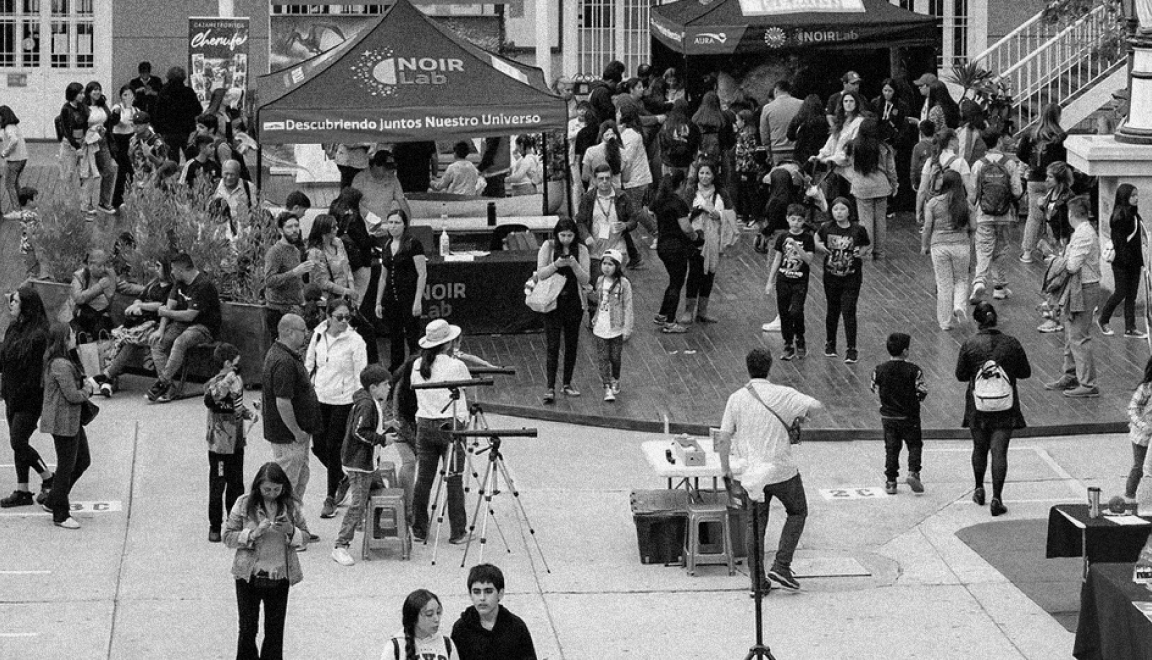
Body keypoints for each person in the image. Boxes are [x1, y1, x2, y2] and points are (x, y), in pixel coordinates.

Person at [716, 348, 823, 592]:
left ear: (747, 367)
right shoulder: (784, 394)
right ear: (770, 366)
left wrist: (726, 470)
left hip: (752, 475)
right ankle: (782, 565)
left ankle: (757, 582)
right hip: (782, 470)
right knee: (797, 511)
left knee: (755, 526)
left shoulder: (736, 398)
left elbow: (723, 439)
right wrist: (801, 416)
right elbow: (816, 406)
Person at [223, 462, 307, 660]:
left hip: (279, 577)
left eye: (277, 489)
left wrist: (291, 531)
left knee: (275, 633)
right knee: (247, 629)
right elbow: (227, 536)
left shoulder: (291, 507)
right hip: (249, 576)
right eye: (267, 489)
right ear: (258, 487)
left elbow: (306, 536)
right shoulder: (243, 504)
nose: (272, 493)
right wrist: (252, 534)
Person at [955, 302, 1032, 516]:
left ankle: (979, 488)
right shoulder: (1011, 343)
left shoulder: (969, 344)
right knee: (1000, 451)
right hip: (1005, 405)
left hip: (977, 405)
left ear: (977, 321)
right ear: (995, 319)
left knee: (979, 448)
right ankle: (997, 497)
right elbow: (1025, 372)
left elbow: (961, 375)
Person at [408, 320, 471, 544]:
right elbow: (465, 387)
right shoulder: (455, 366)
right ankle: (458, 531)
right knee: (454, 478)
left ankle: (419, 528)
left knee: (424, 479)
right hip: (451, 424)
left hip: (425, 424)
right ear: (448, 343)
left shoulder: (417, 365)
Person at [305, 299, 368, 520]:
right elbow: (309, 364)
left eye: (347, 317)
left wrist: (361, 402)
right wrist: (307, 391)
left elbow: (361, 373)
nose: (343, 321)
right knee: (318, 446)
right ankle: (342, 478)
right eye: (338, 317)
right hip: (320, 396)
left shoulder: (356, 341)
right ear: (328, 317)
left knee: (333, 446)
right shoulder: (318, 334)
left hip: (344, 400)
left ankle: (330, 497)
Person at [262, 313, 320, 541]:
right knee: (284, 484)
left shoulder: (284, 355)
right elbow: (282, 401)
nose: (306, 334)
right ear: (288, 332)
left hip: (297, 434)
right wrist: (296, 431)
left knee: (299, 479)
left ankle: (295, 526)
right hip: (289, 435)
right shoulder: (284, 361)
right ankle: (280, 533)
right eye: (302, 330)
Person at [330, 364, 393, 567]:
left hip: (368, 462)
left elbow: (369, 426)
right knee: (357, 504)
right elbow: (360, 432)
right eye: (385, 384)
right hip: (360, 463)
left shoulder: (370, 402)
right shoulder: (367, 404)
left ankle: (373, 532)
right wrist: (383, 439)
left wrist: (388, 426)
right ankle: (341, 545)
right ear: (373, 387)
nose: (389, 388)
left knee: (378, 492)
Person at [0, 286, 54, 508]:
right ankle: (22, 490)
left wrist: (21, 391)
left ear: (27, 306)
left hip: (30, 397)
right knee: (17, 444)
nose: (11, 304)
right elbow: (4, 358)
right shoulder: (13, 328)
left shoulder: (40, 335)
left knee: (18, 440)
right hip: (11, 394)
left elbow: (34, 372)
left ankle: (48, 477)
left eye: (15, 301)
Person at [92, 255, 174, 396]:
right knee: (125, 341)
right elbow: (140, 297)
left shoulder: (172, 288)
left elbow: (162, 306)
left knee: (130, 340)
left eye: (158, 266)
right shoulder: (153, 283)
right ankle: (108, 379)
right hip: (139, 322)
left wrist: (142, 306)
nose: (156, 269)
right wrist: (135, 305)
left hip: (155, 324)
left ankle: (107, 378)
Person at [40, 322, 95, 530]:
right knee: (66, 466)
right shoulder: (60, 365)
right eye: (71, 335)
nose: (74, 337)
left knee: (82, 460)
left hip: (69, 420)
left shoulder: (62, 360)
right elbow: (72, 395)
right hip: (63, 421)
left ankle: (53, 498)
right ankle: (60, 514)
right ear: (64, 339)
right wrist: (87, 391)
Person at [145, 252, 221, 403]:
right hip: (181, 324)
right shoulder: (178, 282)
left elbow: (190, 315)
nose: (171, 272)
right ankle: (170, 388)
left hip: (203, 327)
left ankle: (162, 382)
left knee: (181, 341)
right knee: (156, 343)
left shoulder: (203, 285)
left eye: (173, 269)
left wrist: (166, 312)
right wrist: (161, 330)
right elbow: (169, 306)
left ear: (181, 270)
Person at [1045, 196, 1101, 398]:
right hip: (1080, 287)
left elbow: (1071, 265)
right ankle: (1071, 374)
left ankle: (1088, 384)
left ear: (1071, 214)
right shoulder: (1083, 231)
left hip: (1084, 289)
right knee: (1071, 334)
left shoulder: (1083, 234)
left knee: (1078, 336)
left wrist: (1054, 261)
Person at [537, 218, 592, 403]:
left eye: (570, 235)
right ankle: (550, 386)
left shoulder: (582, 250)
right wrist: (556, 265)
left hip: (574, 303)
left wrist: (574, 265)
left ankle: (567, 383)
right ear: (556, 234)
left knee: (571, 345)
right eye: (563, 235)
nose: (566, 239)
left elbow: (585, 279)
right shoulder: (548, 247)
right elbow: (540, 273)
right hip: (553, 302)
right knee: (552, 345)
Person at [204, 343, 254, 543]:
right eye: (235, 364)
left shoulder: (238, 382)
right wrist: (226, 381)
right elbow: (211, 399)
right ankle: (214, 525)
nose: (238, 367)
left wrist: (249, 414)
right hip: (220, 445)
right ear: (226, 364)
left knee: (237, 485)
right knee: (218, 485)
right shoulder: (215, 383)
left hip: (237, 443)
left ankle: (234, 523)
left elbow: (237, 406)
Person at [870, 332, 928, 495]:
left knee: (891, 448)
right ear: (905, 352)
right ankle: (913, 472)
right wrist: (915, 400)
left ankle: (891, 481)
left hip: (888, 416)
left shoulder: (879, 369)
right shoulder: (914, 370)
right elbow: (922, 390)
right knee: (915, 444)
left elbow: (873, 387)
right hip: (909, 415)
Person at [969, 130, 1023, 303]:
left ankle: (979, 281)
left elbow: (972, 195)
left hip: (983, 214)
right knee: (1001, 250)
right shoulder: (1009, 164)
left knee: (983, 249)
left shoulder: (978, 164)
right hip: (1004, 214)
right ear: (999, 140)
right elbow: (1017, 191)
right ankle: (999, 287)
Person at [816, 197, 870, 363]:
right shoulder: (826, 227)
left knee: (849, 310)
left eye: (842, 209)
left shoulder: (858, 229)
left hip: (851, 276)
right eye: (835, 209)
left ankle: (851, 348)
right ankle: (830, 343)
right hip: (831, 276)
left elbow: (866, 245)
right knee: (832, 310)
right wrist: (820, 247)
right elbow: (816, 238)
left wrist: (860, 252)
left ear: (849, 211)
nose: (839, 212)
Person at [374, 209, 428, 371]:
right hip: (392, 297)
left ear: (404, 225)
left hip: (409, 295)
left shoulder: (413, 243)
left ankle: (416, 367)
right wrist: (378, 301)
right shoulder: (387, 245)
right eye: (390, 222)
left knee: (412, 336)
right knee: (395, 335)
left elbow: (422, 273)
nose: (393, 226)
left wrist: (418, 300)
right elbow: (383, 276)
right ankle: (396, 367)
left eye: (397, 222)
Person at [683, 159, 735, 325]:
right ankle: (688, 310)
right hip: (695, 239)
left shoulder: (721, 193)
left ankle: (702, 311)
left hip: (713, 239)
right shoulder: (691, 191)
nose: (704, 177)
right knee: (694, 273)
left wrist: (719, 215)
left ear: (713, 176)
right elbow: (683, 213)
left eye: (708, 173)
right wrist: (700, 209)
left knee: (709, 274)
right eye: (701, 173)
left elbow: (731, 213)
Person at [921, 170, 973, 331]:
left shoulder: (933, 203)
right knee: (961, 279)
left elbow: (928, 226)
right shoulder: (966, 203)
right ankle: (959, 305)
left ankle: (945, 321)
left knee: (944, 284)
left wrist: (924, 245)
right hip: (961, 245)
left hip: (939, 245)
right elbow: (974, 226)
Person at [451, 564, 538, 660]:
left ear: (500, 594)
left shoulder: (516, 627)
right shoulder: (461, 628)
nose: (482, 598)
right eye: (476, 592)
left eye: (488, 591)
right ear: (470, 595)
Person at [1016, 102, 1067, 262]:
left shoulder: (1030, 134)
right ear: (1058, 116)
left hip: (1034, 179)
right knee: (1053, 215)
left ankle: (1027, 252)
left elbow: (1020, 153)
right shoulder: (1061, 137)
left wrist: (1032, 164)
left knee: (1034, 217)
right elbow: (1064, 159)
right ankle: (1054, 251)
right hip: (1054, 180)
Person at [767, 204, 815, 361]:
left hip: (799, 281)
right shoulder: (782, 237)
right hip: (783, 280)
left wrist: (795, 245)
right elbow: (777, 259)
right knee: (784, 313)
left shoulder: (807, 238)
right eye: (793, 219)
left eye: (799, 220)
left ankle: (800, 338)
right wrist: (770, 281)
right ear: (787, 219)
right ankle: (788, 343)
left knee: (796, 311)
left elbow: (808, 260)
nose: (795, 223)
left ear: (803, 221)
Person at [845, 117, 897, 260]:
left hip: (862, 187)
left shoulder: (853, 146)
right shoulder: (884, 147)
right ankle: (880, 252)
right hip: (881, 186)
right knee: (880, 221)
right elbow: (891, 170)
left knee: (865, 221)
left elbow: (850, 164)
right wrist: (894, 185)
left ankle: (867, 252)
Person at [1100, 183, 1147, 338]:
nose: (1136, 198)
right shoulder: (1120, 217)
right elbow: (1120, 243)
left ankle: (1130, 327)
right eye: (1132, 195)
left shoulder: (1134, 214)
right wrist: (1126, 260)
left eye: (1136, 195)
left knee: (1131, 295)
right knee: (1121, 292)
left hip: (1134, 262)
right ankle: (1103, 319)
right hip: (1122, 263)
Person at [651, 171, 694, 333]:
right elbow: (686, 227)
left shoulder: (659, 201)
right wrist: (695, 236)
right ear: (681, 184)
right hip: (676, 247)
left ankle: (662, 313)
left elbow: (650, 214)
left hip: (662, 245)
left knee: (672, 280)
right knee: (677, 282)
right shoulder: (678, 203)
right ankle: (670, 322)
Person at [589, 249, 633, 402]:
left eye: (611, 264)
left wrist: (628, 328)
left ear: (618, 266)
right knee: (603, 357)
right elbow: (599, 300)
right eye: (604, 263)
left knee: (615, 356)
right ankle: (606, 386)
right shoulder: (600, 280)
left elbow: (628, 306)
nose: (606, 267)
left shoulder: (624, 284)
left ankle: (615, 378)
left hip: (617, 326)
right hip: (601, 325)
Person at [265, 213, 312, 340]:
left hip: (295, 309)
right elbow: (269, 281)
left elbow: (296, 280)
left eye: (296, 226)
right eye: (289, 227)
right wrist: (295, 272)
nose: (294, 230)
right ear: (281, 230)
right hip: (278, 311)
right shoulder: (275, 252)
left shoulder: (296, 251)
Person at [577, 162, 635, 266]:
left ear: (611, 178)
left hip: (618, 249)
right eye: (601, 178)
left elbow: (634, 220)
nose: (604, 181)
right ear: (594, 180)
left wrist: (625, 225)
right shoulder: (588, 198)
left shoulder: (622, 197)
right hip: (595, 251)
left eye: (607, 178)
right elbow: (580, 221)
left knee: (617, 281)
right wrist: (586, 236)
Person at [916, 128, 971, 228]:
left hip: (933, 207)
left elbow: (922, 190)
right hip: (955, 208)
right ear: (952, 141)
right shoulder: (961, 162)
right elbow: (971, 191)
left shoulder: (930, 161)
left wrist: (918, 211)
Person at [386, 589, 456, 660]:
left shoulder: (446, 644)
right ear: (413, 617)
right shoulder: (394, 646)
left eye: (438, 612)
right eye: (429, 614)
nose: (436, 619)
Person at [81, 81, 118, 214]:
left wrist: (115, 115)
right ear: (89, 92)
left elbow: (110, 122)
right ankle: (87, 203)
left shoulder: (103, 105)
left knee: (109, 170)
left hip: (102, 140)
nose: (97, 92)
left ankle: (104, 201)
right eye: (94, 90)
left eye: (99, 89)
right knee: (88, 173)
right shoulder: (83, 107)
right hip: (89, 142)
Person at [153, 66, 202, 161]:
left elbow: (157, 113)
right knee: (191, 156)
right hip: (186, 130)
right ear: (183, 77)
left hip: (167, 131)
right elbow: (198, 110)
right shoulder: (188, 92)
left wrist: (158, 129)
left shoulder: (163, 92)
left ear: (168, 77)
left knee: (172, 158)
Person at [306, 213, 356, 303]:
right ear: (324, 230)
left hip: (345, 295)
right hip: (327, 299)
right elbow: (322, 282)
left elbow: (347, 266)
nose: (337, 229)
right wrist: (345, 291)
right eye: (333, 227)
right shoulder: (315, 253)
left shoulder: (338, 242)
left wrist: (351, 289)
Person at [354, 149, 412, 225]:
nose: (389, 172)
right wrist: (371, 218)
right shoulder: (360, 178)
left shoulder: (393, 179)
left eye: (391, 169)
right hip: (364, 224)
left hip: (385, 223)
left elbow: (402, 202)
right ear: (376, 165)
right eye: (386, 168)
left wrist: (406, 223)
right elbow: (353, 203)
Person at [70, 248, 117, 339]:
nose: (103, 269)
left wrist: (143, 289)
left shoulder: (107, 274)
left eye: (104, 265)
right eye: (99, 266)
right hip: (82, 315)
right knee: (78, 332)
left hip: (100, 316)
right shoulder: (79, 276)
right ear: (90, 265)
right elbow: (78, 298)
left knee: (102, 329)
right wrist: (99, 287)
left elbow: (123, 287)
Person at [1126, 357, 1152, 503]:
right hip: (1143, 435)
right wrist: (1143, 426)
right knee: (1140, 467)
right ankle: (1129, 496)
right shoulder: (1146, 389)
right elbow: (1132, 410)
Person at [107, 86, 139, 207]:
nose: (127, 97)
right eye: (125, 95)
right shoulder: (117, 108)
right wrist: (116, 115)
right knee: (126, 169)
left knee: (125, 171)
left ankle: (119, 200)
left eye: (130, 95)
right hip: (118, 140)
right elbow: (114, 122)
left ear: (134, 96)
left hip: (130, 140)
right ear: (121, 96)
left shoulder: (136, 110)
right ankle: (118, 199)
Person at [760, 80, 804, 165]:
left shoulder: (767, 108)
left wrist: (768, 151)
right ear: (789, 91)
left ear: (775, 91)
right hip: (797, 149)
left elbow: (764, 133)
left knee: (778, 176)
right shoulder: (801, 104)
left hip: (777, 150)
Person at [691, 91, 732, 175]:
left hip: (701, 150)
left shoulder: (696, 118)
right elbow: (728, 137)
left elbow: (693, 138)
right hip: (718, 151)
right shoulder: (723, 117)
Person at [734, 109, 764, 225]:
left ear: (744, 121)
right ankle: (748, 215)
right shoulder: (752, 134)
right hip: (751, 168)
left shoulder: (745, 135)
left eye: (738, 120)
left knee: (747, 193)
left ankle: (750, 216)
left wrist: (743, 170)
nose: (736, 122)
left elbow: (746, 153)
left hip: (745, 168)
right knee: (748, 192)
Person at [657, 99, 699, 177]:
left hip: (668, 162)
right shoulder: (692, 126)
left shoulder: (666, 124)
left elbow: (661, 141)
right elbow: (694, 144)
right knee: (682, 186)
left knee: (668, 185)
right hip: (685, 163)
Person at [57, 82, 88, 184]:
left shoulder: (82, 107)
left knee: (83, 173)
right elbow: (66, 130)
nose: (83, 96)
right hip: (70, 143)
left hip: (82, 141)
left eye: (83, 93)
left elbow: (85, 123)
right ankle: (68, 198)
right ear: (73, 94)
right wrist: (75, 145)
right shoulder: (66, 109)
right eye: (80, 93)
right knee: (68, 174)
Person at [7, 186, 40, 281]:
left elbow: (18, 215)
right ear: (29, 202)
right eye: (36, 198)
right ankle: (29, 287)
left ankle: (31, 283)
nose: (38, 200)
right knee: (34, 272)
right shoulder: (30, 215)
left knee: (33, 269)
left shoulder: (26, 213)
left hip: (26, 248)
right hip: (29, 248)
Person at [127, 111, 170, 184]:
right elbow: (133, 162)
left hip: (155, 182)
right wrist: (130, 154)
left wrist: (150, 155)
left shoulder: (157, 141)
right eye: (134, 124)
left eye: (139, 125)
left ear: (147, 125)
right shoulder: (133, 140)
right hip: (139, 180)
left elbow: (163, 166)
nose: (136, 128)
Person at [787, 94, 829, 167]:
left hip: (801, 152)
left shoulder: (798, 118)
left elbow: (790, 135)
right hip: (820, 152)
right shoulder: (825, 119)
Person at [0, 105, 27, 212]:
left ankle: (17, 210)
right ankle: (23, 205)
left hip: (14, 160)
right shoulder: (14, 126)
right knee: (15, 184)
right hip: (23, 158)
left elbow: (14, 140)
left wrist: (5, 152)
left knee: (9, 185)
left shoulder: (8, 128)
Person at [581, 121, 622, 190]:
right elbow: (626, 178)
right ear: (616, 135)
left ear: (600, 134)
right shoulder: (623, 152)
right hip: (615, 193)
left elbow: (585, 177)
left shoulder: (590, 151)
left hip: (595, 191)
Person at [589, 60, 625, 126]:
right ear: (611, 81)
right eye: (616, 84)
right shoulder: (603, 91)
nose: (616, 86)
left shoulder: (599, 88)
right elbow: (608, 112)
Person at [956, 99, 988, 165]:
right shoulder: (978, 127)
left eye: (960, 110)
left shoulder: (968, 130)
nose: (959, 113)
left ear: (964, 113)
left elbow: (964, 156)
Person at [909, 120, 935, 195]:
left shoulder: (918, 147)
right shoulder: (938, 144)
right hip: (936, 179)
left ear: (921, 132)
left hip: (922, 181)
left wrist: (913, 182)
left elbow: (914, 167)